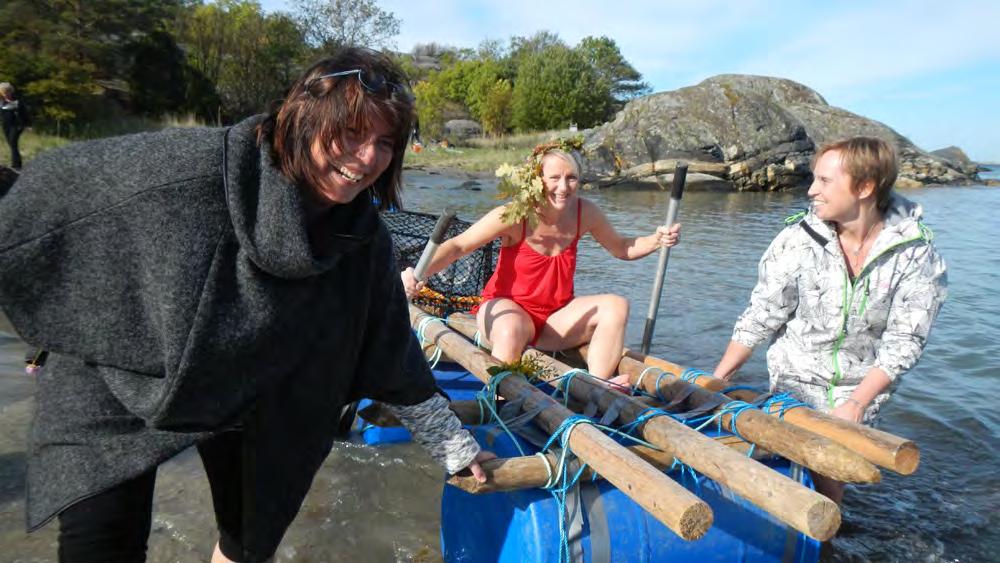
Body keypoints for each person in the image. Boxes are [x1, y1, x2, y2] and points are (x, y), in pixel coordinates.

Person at [0, 48, 492, 563]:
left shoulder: (360, 240)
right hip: (112, 376)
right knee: (101, 548)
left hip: (249, 394)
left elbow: (391, 348)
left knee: (248, 540)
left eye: (384, 143)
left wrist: (453, 445)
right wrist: (50, 317)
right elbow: (50, 194)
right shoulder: (192, 171)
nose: (366, 158)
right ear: (304, 117)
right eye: (350, 133)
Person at [712, 136, 947, 503]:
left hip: (863, 386)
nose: (811, 191)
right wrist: (719, 376)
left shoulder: (915, 255)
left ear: (865, 187)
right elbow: (762, 314)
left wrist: (856, 404)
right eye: (814, 179)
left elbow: (906, 341)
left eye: (824, 181)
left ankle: (823, 538)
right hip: (795, 378)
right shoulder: (797, 240)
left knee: (834, 472)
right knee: (817, 469)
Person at [401, 141, 680, 385]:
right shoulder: (515, 215)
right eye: (554, 178)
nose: (563, 187)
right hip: (506, 313)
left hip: (554, 319)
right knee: (511, 329)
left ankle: (597, 387)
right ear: (537, 180)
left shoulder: (586, 212)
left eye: (571, 178)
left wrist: (655, 240)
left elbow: (622, 248)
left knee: (616, 305)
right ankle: (499, 400)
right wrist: (418, 272)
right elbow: (457, 246)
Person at [0, 81, 30, 170]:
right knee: (11, 144)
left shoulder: (17, 102)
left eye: (6, 92)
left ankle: (16, 165)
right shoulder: (1, 102)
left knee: (13, 143)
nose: (5, 94)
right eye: (3, 93)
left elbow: (25, 113)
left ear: (10, 91)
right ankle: (18, 162)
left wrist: (28, 124)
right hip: (6, 126)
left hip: (17, 125)